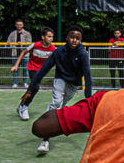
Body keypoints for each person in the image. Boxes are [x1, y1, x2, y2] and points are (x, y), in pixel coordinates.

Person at [19, 25, 92, 154]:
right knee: (56, 103)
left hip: (74, 84)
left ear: (80, 40)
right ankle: (45, 139)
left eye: (77, 38)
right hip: (60, 79)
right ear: (66, 38)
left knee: (61, 107)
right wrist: (29, 90)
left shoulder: (83, 54)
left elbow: (88, 76)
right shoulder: (58, 52)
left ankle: (51, 123)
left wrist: (89, 99)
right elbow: (42, 71)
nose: (74, 40)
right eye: (72, 37)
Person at [11, 27, 57, 120]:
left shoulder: (53, 49)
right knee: (35, 87)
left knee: (33, 88)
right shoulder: (35, 45)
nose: (51, 39)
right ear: (43, 37)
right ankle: (24, 108)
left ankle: (22, 105)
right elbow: (23, 52)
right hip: (32, 68)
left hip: (42, 71)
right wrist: (16, 65)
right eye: (49, 36)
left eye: (52, 37)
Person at [7, 19, 33, 87]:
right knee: (15, 69)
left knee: (25, 69)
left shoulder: (27, 33)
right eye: (17, 25)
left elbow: (29, 43)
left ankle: (25, 83)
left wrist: (23, 44)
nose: (19, 26)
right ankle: (15, 83)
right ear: (15, 25)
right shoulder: (12, 34)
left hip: (25, 54)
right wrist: (9, 43)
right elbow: (8, 41)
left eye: (20, 25)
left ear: (23, 25)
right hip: (15, 53)